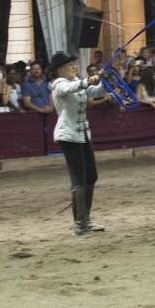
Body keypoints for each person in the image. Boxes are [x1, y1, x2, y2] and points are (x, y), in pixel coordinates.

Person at [48, 52, 105, 236]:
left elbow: (96, 92)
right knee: (78, 178)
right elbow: (70, 88)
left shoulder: (78, 81)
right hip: (68, 135)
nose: (74, 67)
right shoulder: (58, 84)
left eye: (74, 64)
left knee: (91, 176)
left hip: (82, 134)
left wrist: (102, 79)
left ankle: (86, 218)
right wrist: (88, 81)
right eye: (70, 65)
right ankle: (80, 223)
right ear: (60, 70)